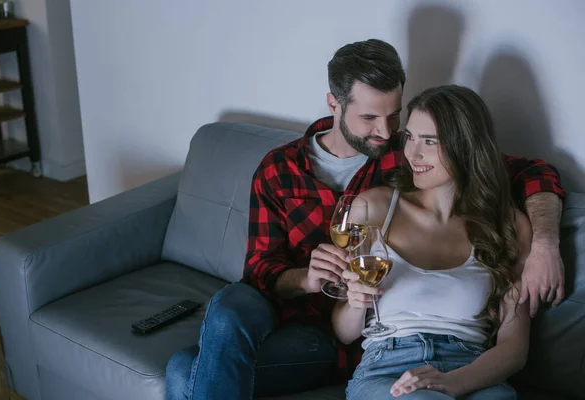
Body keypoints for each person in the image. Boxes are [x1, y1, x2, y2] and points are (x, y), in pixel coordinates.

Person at [165, 39, 565, 400]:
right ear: (334, 104)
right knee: (227, 307)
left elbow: (524, 171)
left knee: (188, 374)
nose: (388, 132)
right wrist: (306, 278)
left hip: (358, 336)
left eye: (395, 117)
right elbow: (259, 271)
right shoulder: (279, 170)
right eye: (371, 118)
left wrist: (545, 242)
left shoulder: (402, 155)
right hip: (301, 322)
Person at [335, 84, 530, 399]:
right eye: (410, 137)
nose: (412, 154)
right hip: (388, 366)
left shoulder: (508, 225)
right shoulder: (374, 207)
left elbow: (514, 347)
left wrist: (455, 382)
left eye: (429, 141)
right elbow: (344, 333)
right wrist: (356, 302)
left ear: (464, 146)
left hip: (472, 367)